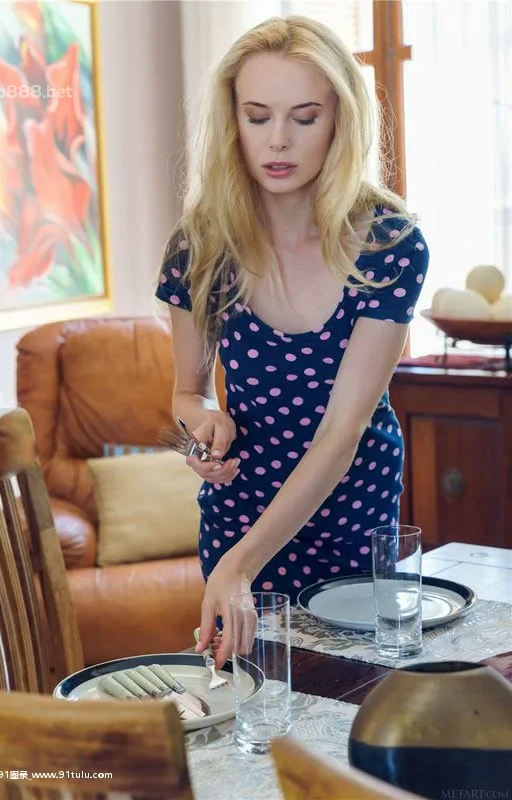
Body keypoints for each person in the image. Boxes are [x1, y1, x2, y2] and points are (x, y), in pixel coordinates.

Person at [155, 15, 429, 666]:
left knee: (354, 703)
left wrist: (242, 565)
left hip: (351, 519)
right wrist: (203, 432)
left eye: (305, 117)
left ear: (340, 121)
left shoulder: (388, 246)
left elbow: (343, 431)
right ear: (233, 121)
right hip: (239, 515)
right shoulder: (200, 247)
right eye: (258, 116)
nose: (278, 139)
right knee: (250, 702)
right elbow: (187, 392)